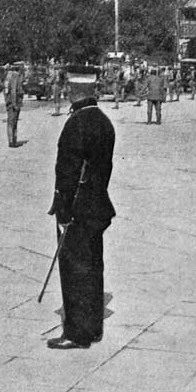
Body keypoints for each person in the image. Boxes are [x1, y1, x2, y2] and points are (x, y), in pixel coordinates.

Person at [46, 74, 115, 349]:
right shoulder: (104, 121)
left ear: (73, 91)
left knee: (75, 271)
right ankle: (94, 326)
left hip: (77, 208)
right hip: (98, 204)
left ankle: (76, 333)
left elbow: (67, 172)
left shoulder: (76, 124)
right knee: (94, 266)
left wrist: (62, 209)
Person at [3, 62, 25, 148]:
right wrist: (14, 103)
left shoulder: (8, 76)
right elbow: (13, 91)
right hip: (14, 101)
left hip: (9, 101)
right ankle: (12, 141)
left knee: (11, 121)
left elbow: (5, 91)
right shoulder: (15, 76)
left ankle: (12, 140)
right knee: (13, 122)